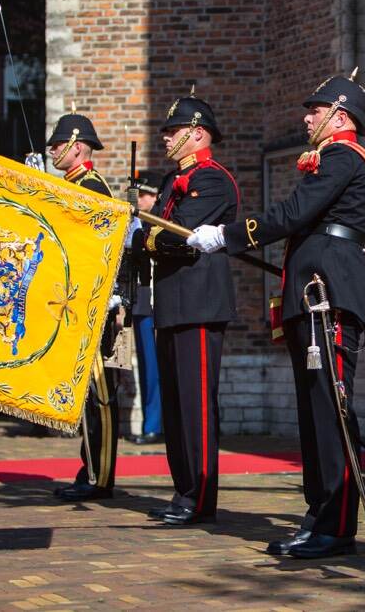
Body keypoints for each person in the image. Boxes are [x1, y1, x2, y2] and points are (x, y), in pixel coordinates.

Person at [188, 71, 365, 558]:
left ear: (339, 116)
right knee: (316, 414)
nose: (306, 116)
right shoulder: (333, 159)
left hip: (329, 298)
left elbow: (293, 212)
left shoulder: (342, 157)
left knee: (329, 414)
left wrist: (228, 235)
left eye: (315, 110)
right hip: (316, 296)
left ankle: (335, 526)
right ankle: (321, 517)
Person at [130, 92, 238, 526]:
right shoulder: (178, 182)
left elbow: (180, 234)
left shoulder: (211, 179)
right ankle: (183, 491)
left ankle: (200, 496)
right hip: (173, 302)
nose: (166, 138)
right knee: (176, 406)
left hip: (198, 304)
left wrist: (140, 237)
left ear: (197, 134)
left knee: (196, 406)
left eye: (173, 132)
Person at [47, 112, 121, 502]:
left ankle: (100, 475)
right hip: (79, 305)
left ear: (77, 147)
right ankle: (89, 468)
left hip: (97, 307)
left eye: (57, 145)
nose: (52, 151)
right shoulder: (73, 185)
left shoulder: (91, 186)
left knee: (101, 397)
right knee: (89, 396)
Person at [127, 170, 164, 445]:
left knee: (157, 366)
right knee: (147, 367)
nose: (140, 199)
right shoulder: (134, 221)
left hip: (157, 300)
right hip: (141, 299)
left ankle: (156, 423)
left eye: (144, 195)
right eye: (137, 195)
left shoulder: (160, 220)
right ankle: (151, 421)